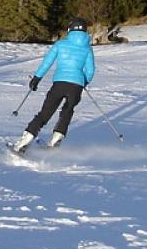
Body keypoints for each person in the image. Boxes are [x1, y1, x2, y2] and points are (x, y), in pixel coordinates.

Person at [12, 17, 95, 152]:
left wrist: (37, 78)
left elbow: (47, 62)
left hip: (59, 84)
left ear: (69, 29)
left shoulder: (60, 44)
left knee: (45, 113)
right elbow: (90, 70)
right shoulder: (87, 48)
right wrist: (84, 82)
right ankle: (57, 137)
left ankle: (25, 141)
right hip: (76, 86)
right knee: (68, 110)